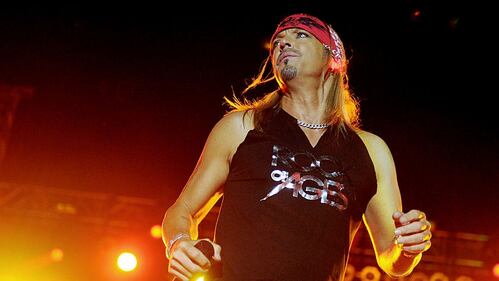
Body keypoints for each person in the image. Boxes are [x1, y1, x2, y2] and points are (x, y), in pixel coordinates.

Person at [161, 13, 432, 281]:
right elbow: (181, 211)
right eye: (277, 42)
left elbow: (392, 260)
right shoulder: (242, 127)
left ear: (333, 58)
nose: (283, 44)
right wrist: (179, 243)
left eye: (300, 35)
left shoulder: (371, 150)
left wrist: (407, 248)